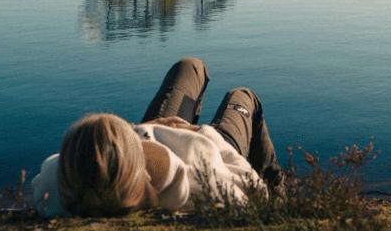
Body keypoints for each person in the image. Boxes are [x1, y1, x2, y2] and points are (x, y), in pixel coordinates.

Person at [30, 57, 283, 217]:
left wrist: (128, 138)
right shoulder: (202, 185)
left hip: (152, 132)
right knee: (243, 96)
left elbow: (54, 169)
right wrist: (204, 134)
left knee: (189, 66)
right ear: (140, 168)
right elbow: (253, 189)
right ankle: (281, 193)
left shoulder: (66, 191)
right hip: (206, 141)